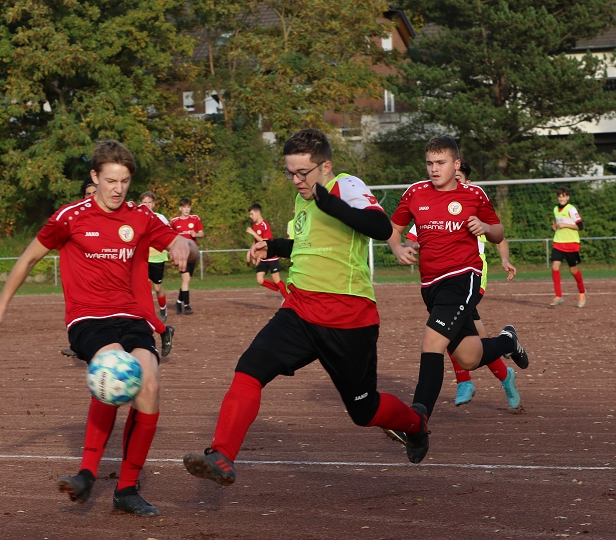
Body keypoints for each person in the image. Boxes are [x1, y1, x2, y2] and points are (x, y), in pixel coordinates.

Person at [182, 128, 430, 486]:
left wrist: (328, 200)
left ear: (325, 166)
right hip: (299, 308)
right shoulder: (303, 199)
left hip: (348, 317)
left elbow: (378, 226)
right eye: (290, 172)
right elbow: (307, 245)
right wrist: (274, 245)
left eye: (303, 173)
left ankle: (415, 423)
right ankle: (222, 455)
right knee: (250, 368)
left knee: (364, 410)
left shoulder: (346, 185)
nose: (296, 180)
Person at [0, 140, 199, 516]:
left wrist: (182, 243)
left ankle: (127, 489)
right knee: (114, 369)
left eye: (125, 181)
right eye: (111, 180)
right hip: (88, 318)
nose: (118, 188)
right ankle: (87, 473)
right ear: (94, 177)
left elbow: (191, 251)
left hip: (132, 317)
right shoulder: (70, 217)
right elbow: (28, 259)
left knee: (150, 386)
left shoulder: (141, 217)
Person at [385, 136, 530, 460]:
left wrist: (484, 227)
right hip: (430, 285)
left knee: (432, 343)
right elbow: (393, 228)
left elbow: (498, 231)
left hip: (463, 278)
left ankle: (417, 422)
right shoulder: (415, 193)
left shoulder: (473, 194)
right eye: (430, 163)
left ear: (456, 164)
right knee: (466, 357)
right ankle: (507, 341)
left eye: (440, 163)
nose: (434, 169)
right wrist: (398, 248)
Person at [398, 161, 521, 412]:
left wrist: (505, 259)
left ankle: (453, 391)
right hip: (439, 283)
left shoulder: (472, 203)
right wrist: (408, 249)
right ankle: (506, 354)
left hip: (468, 279)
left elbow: (499, 235)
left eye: (461, 178)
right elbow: (412, 238)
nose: (457, 182)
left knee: (441, 334)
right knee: (470, 351)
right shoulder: (429, 204)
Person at [61, 177, 100, 358]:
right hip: (82, 275)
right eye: (88, 194)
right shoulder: (74, 217)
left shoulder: (108, 216)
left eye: (95, 193)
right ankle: (80, 344)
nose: (91, 197)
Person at [138, 191, 175, 357]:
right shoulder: (135, 217)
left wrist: (174, 249)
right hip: (142, 260)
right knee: (141, 294)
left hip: (158, 258)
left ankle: (162, 312)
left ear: (154, 204)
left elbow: (169, 236)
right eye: (144, 202)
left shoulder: (160, 218)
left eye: (149, 202)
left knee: (158, 288)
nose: (147, 205)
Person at [550, 187, 586, 308]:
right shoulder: (555, 209)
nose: (561, 198)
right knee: (555, 267)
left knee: (573, 270)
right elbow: (560, 223)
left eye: (564, 196)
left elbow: (580, 226)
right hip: (558, 242)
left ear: (568, 197)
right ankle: (559, 296)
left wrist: (564, 224)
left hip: (571, 243)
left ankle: (582, 293)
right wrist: (556, 226)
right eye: (560, 196)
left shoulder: (571, 209)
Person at [170, 198, 204, 314]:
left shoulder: (195, 219)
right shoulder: (174, 221)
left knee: (187, 280)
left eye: (188, 207)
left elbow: (202, 233)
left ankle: (179, 302)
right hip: (181, 254)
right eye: (184, 207)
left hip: (192, 253)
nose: (186, 209)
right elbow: (170, 237)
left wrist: (197, 234)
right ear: (180, 208)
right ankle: (187, 305)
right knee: (186, 278)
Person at [246, 203, 288, 298]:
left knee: (276, 280)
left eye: (252, 214)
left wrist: (253, 233)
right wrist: (251, 252)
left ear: (258, 213)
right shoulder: (254, 225)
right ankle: (282, 289)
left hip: (271, 257)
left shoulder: (265, 224)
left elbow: (266, 241)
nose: (250, 216)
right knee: (259, 280)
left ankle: (287, 299)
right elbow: (256, 241)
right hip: (262, 257)